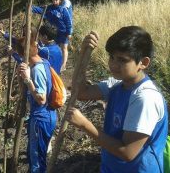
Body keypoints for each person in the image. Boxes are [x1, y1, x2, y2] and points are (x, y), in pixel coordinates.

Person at [66, 26, 168, 172]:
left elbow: (127, 152)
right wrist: (83, 55)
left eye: (122, 60)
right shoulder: (118, 85)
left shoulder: (145, 98)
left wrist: (85, 125)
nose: (113, 64)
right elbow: (80, 92)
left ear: (143, 63)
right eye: (112, 57)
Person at [17, 26, 57, 173]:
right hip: (45, 115)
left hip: (41, 117)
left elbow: (41, 99)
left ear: (23, 55)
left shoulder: (37, 70)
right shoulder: (43, 62)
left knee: (37, 161)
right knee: (36, 154)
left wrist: (28, 80)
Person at [32, 0, 72, 72]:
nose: (55, 0)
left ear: (59, 0)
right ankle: (56, 63)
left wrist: (69, 32)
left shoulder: (63, 9)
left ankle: (63, 65)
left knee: (64, 48)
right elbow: (39, 10)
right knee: (56, 48)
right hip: (53, 33)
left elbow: (68, 21)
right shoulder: (48, 8)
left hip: (63, 32)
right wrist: (30, 7)